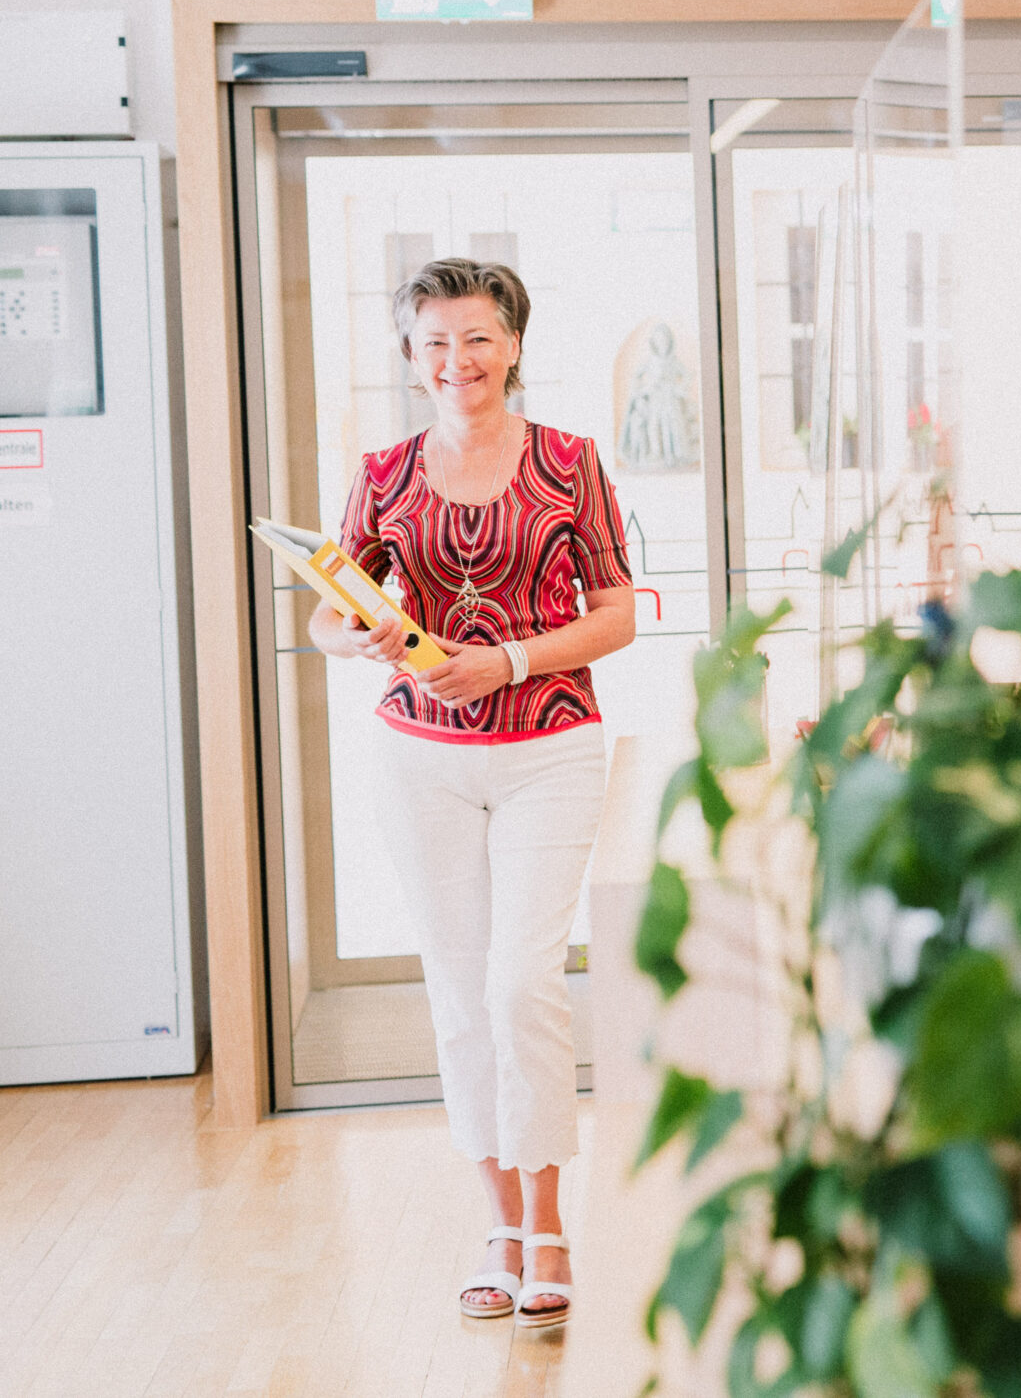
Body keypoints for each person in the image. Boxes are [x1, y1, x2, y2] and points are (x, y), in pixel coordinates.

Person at [312, 257, 638, 1329]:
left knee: (520, 984)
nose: (459, 360)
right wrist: (357, 635)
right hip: (421, 757)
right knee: (457, 993)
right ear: (412, 358)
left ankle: (550, 1222)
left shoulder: (570, 462)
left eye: (479, 338)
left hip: (551, 745)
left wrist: (509, 661)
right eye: (437, 342)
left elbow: (617, 613)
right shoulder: (382, 473)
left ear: (514, 345)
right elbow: (327, 611)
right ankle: (499, 1229)